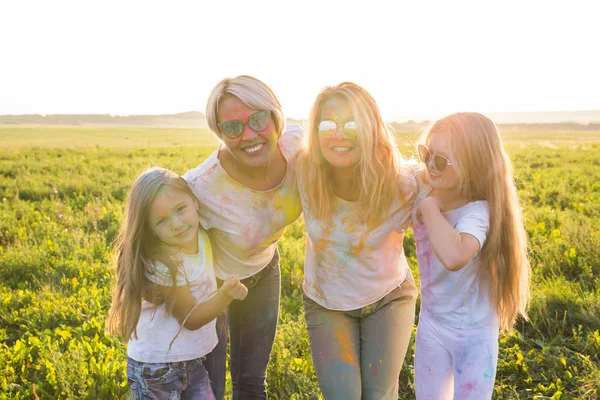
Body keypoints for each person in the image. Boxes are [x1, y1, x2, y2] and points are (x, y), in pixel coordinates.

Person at [296, 82, 420, 400]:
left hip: (388, 296)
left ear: (370, 128)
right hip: (327, 303)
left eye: (351, 124)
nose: (338, 134)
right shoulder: (302, 170)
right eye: (328, 124)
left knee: (379, 396)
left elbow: (459, 187)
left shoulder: (403, 183)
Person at [183, 75, 304, 399]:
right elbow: (156, 230)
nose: (249, 135)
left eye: (258, 119)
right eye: (233, 128)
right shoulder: (201, 186)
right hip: (212, 286)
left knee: (251, 380)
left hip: (263, 271)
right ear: (220, 133)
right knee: (209, 386)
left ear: (276, 116)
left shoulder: (298, 147)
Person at [412, 112, 530, 399]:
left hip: (474, 334)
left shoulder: (477, 212)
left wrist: (429, 209)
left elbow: (455, 256)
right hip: (432, 323)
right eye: (427, 153)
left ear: (474, 167)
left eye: (441, 160)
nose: (430, 165)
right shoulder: (426, 185)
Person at [106, 167, 248, 400]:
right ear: (148, 228)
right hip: (157, 368)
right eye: (161, 221)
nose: (176, 223)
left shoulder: (202, 238)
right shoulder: (165, 263)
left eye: (180, 209)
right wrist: (225, 295)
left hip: (191, 359)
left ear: (195, 202)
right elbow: (190, 319)